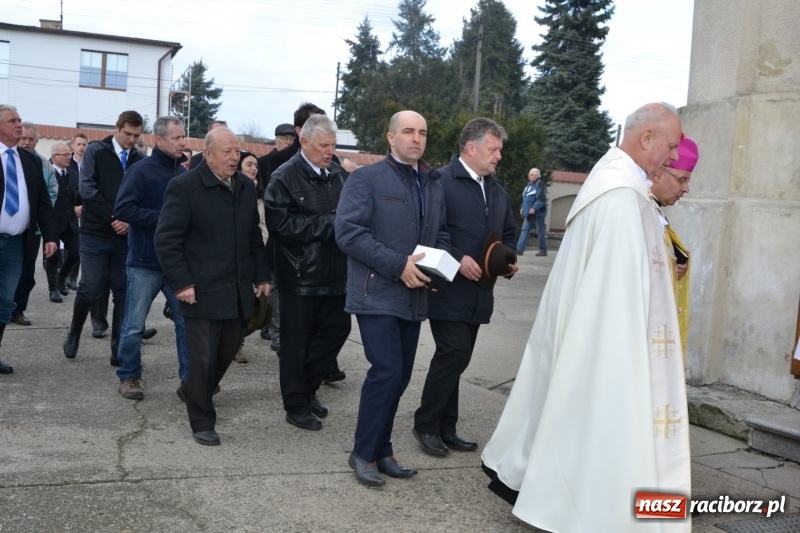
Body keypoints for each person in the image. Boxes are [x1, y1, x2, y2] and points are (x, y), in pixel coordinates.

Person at [480, 103, 690, 532]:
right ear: (646, 138)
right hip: (608, 343)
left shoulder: (624, 189)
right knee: (593, 421)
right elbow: (612, 297)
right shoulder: (619, 198)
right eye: (670, 146)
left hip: (605, 336)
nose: (673, 156)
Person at [335, 110, 449, 486]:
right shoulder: (366, 179)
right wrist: (398, 264)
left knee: (398, 377)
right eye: (408, 132)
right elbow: (348, 233)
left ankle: (382, 450)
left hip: (414, 294)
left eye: (422, 132)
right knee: (385, 371)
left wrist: (436, 265)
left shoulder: (431, 183)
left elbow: (441, 234)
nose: (416, 139)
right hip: (377, 290)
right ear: (390, 138)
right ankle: (363, 452)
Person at [155, 127, 270, 446]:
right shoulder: (184, 187)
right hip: (200, 288)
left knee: (229, 347)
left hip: (235, 289)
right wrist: (181, 282)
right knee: (204, 357)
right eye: (227, 152)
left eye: (237, 151)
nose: (235, 157)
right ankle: (202, 419)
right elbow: (166, 240)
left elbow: (253, 239)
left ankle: (192, 387)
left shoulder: (245, 187)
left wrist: (262, 276)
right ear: (207, 154)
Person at [413, 118, 517, 457]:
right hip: (446, 288)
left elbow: (509, 235)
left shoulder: (496, 189)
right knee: (453, 353)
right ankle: (426, 425)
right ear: (471, 149)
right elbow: (426, 234)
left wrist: (508, 260)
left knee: (459, 359)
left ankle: (447, 427)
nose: (499, 155)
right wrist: (457, 259)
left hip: (480, 292)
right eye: (494, 149)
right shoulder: (439, 182)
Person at [264, 114, 350, 431]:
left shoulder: (339, 175)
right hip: (300, 275)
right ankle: (296, 404)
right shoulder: (284, 177)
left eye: (333, 145)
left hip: (336, 273)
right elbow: (281, 226)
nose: (329, 151)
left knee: (337, 331)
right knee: (295, 343)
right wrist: (330, 224)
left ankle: (307, 388)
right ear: (304, 142)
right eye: (324, 145)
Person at [113, 117, 190, 400]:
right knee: (134, 325)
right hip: (145, 263)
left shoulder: (185, 173)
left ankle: (190, 381)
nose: (183, 142)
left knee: (186, 324)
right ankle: (129, 376)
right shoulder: (140, 171)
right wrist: (163, 220)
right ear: (159, 140)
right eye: (176, 138)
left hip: (177, 265)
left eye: (183, 137)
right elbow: (123, 209)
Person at [63, 110, 145, 365]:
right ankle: (74, 331)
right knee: (91, 286)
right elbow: (87, 189)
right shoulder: (96, 151)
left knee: (122, 291)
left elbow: (143, 195)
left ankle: (117, 347)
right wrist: (116, 218)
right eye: (128, 134)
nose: (132, 140)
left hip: (125, 238)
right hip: (96, 232)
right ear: (117, 128)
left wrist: (130, 221)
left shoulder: (140, 160)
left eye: (137, 135)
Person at [0, 105, 58, 374]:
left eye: (20, 120)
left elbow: (43, 202)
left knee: (4, 303)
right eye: (12, 120)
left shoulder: (31, 160)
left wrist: (50, 236)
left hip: (15, 244)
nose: (19, 124)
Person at [650, 135, 699, 356]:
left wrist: (675, 269)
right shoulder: (636, 209)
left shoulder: (656, 213)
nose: (686, 189)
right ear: (659, 173)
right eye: (682, 180)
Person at [9, 122, 58, 323]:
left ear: (37, 142)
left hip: (32, 230)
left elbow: (51, 195)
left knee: (27, 274)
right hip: (7, 229)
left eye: (31, 139)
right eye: (23, 138)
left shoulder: (42, 164)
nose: (26, 142)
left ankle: (18, 310)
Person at [232, 150, 267, 364]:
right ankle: (233, 345)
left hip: (259, 252)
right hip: (240, 256)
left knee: (251, 302)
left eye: (256, 165)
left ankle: (238, 344)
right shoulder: (235, 191)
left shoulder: (262, 196)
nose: (254, 168)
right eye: (249, 164)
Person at [47, 143, 81, 303]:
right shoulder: (47, 174)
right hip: (52, 221)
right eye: (65, 155)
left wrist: (81, 205)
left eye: (70, 154)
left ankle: (62, 278)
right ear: (54, 157)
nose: (69, 157)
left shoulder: (74, 175)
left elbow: (79, 195)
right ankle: (53, 288)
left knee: (76, 252)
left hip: (70, 221)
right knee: (52, 256)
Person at [66, 133, 89, 291]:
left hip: (85, 208)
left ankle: (73, 277)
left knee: (80, 244)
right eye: (79, 144)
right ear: (72, 146)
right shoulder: (67, 163)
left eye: (84, 144)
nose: (81, 147)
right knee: (67, 246)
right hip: (68, 208)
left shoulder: (90, 163)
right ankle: (63, 275)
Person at [515, 168, 548, 256]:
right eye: (529, 174)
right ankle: (519, 250)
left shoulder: (540, 184)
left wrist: (534, 208)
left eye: (532, 174)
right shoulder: (528, 185)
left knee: (540, 231)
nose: (529, 176)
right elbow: (525, 198)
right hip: (528, 213)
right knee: (524, 230)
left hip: (537, 213)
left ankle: (543, 250)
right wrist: (522, 207)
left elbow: (541, 198)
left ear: (537, 175)